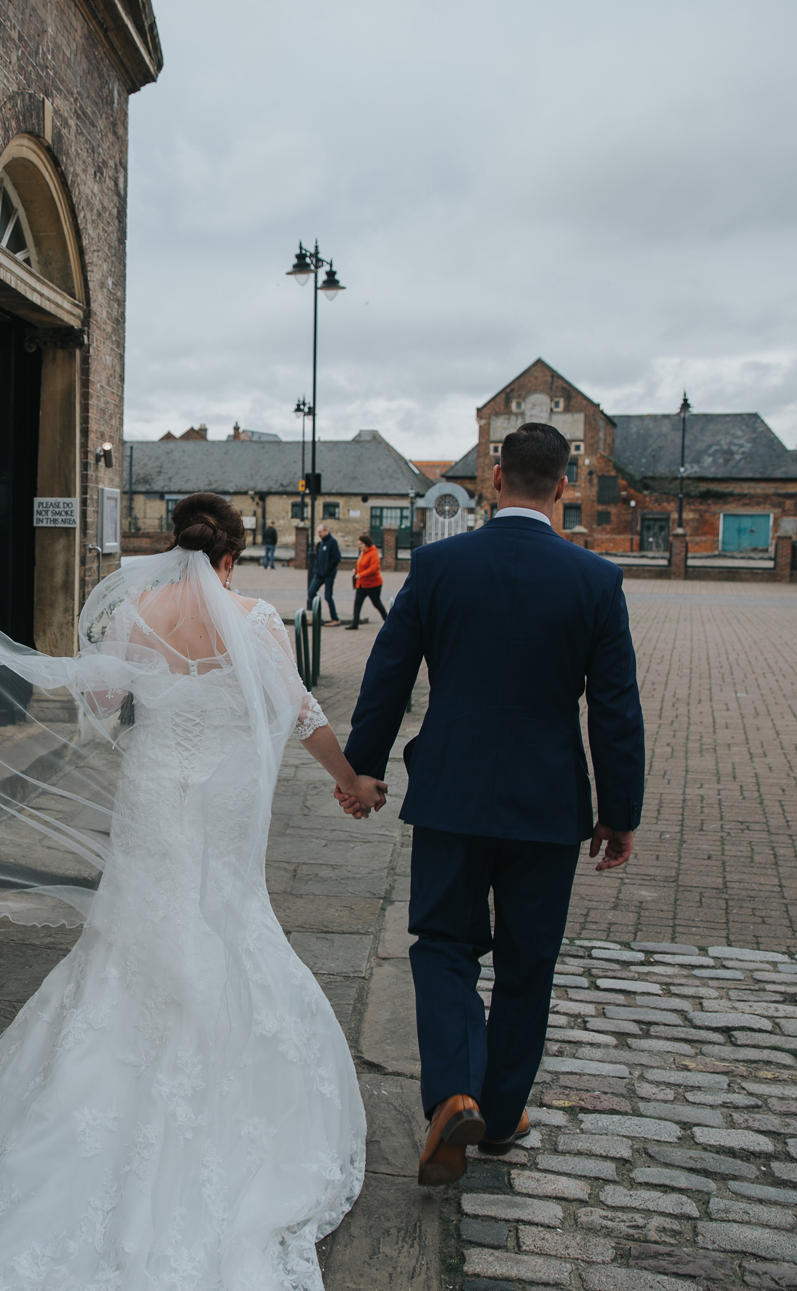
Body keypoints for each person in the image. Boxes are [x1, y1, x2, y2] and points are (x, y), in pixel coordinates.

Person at [0, 492, 382, 1289]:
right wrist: (349, 779)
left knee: (135, 934)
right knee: (228, 924)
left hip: (155, 794)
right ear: (231, 557)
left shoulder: (135, 611)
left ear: (172, 545)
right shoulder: (255, 621)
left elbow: (103, 703)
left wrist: (147, 681)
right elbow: (297, 710)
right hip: (224, 799)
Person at [339, 422, 645, 1187]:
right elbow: (615, 710)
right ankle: (502, 1111)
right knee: (527, 960)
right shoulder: (595, 581)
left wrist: (362, 770)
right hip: (548, 804)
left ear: (494, 479)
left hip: (451, 792)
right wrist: (620, 811)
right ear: (563, 489)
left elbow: (388, 675)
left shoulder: (440, 565)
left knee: (444, 943)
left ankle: (453, 1094)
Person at [345, 532, 386, 629]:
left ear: (366, 543)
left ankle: (388, 620)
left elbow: (373, 568)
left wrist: (361, 575)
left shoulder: (373, 553)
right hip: (362, 584)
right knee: (357, 603)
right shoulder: (363, 553)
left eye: (361, 544)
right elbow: (360, 564)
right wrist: (356, 569)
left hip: (373, 584)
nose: (359, 546)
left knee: (377, 603)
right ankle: (354, 623)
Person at [307, 522, 341, 620]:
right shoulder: (321, 543)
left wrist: (328, 569)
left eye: (321, 532)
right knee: (311, 592)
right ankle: (316, 616)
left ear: (326, 531)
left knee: (328, 596)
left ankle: (335, 618)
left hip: (328, 574)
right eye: (318, 532)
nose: (319, 534)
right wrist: (317, 569)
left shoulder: (332, 542)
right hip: (319, 574)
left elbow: (337, 558)